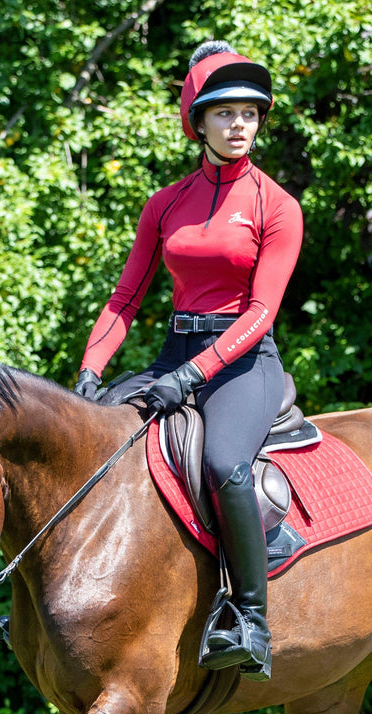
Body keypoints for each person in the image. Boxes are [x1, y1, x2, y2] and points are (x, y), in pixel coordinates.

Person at [73, 41, 304, 681]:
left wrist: (193, 376)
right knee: (87, 439)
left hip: (243, 362)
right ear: (197, 122)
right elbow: (125, 298)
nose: (239, 125)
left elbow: (261, 312)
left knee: (224, 463)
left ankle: (250, 620)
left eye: (250, 113)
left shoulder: (276, 205)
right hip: (175, 351)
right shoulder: (164, 204)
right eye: (225, 113)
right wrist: (91, 372)